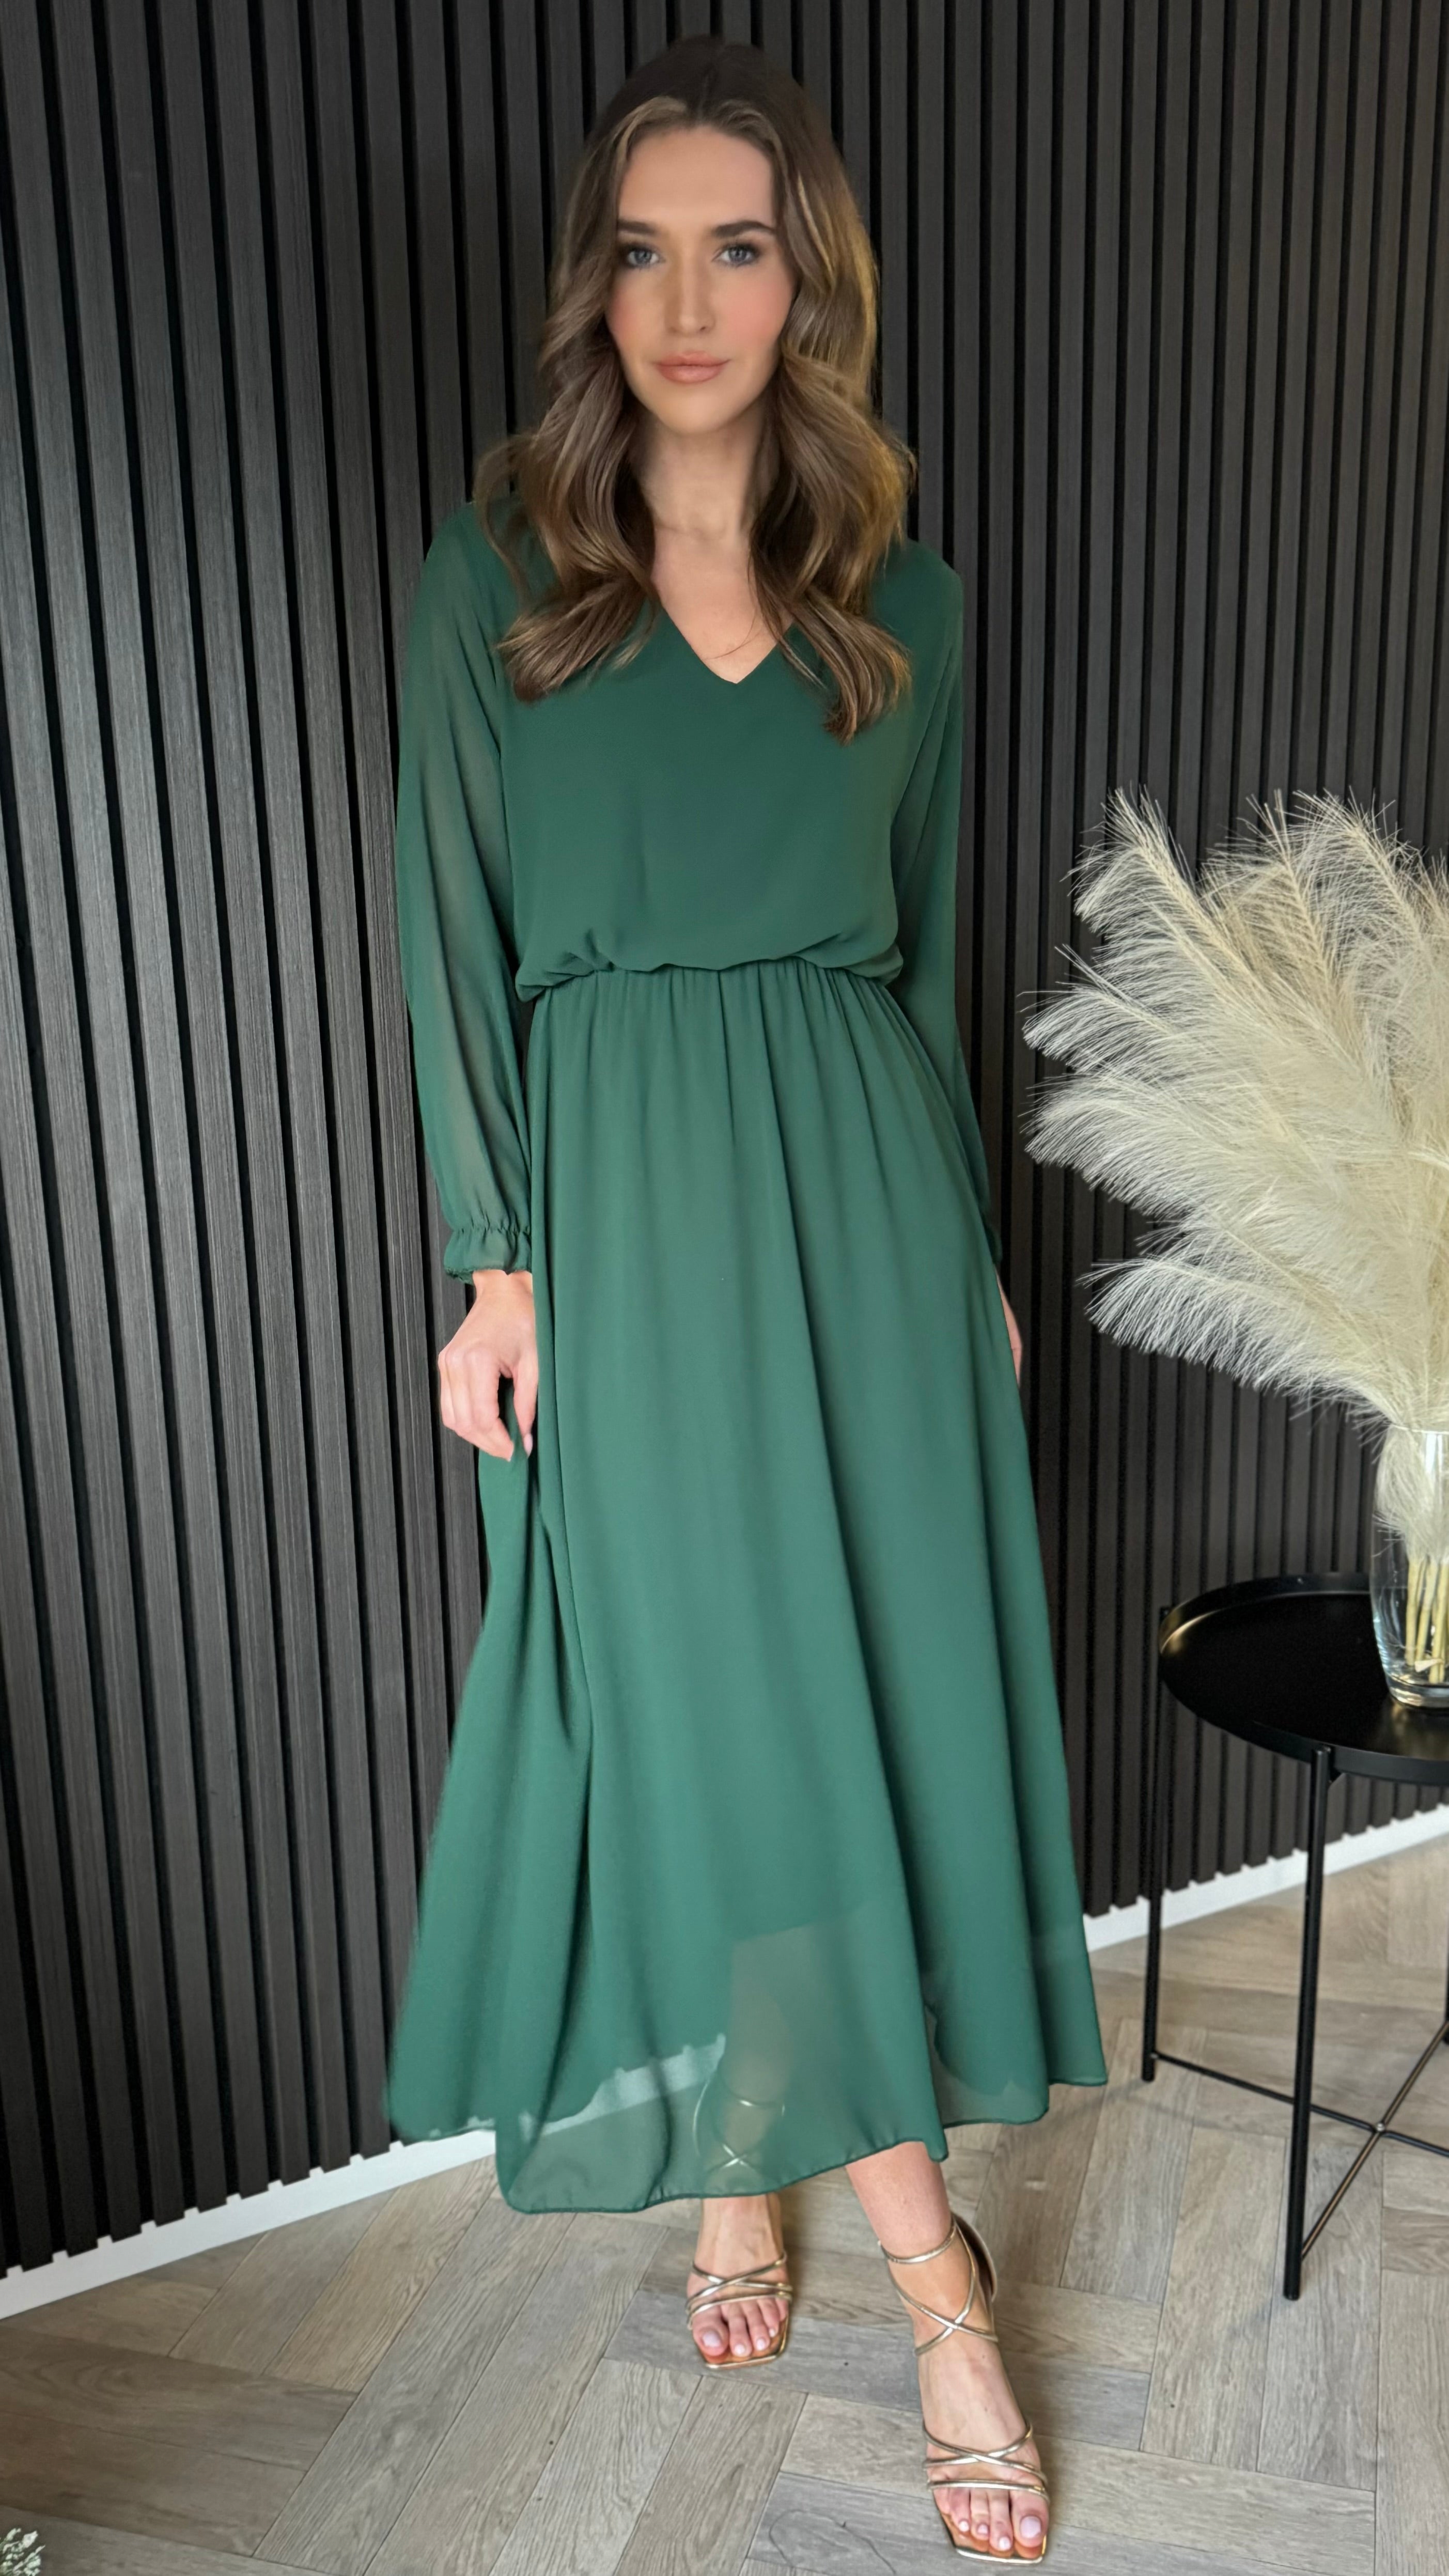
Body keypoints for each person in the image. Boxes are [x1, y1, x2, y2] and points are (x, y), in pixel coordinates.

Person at [384, 35, 1105, 2564]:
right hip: (621, 1211)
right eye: (642, 248)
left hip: (865, 1207)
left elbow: (925, 963)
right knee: (700, 1703)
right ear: (593, 288)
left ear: (811, 285)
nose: (688, 299)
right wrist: (493, 1259)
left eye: (740, 246)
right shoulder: (497, 569)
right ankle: (905, 2250)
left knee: (853, 1704)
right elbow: (445, 930)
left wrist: (972, 1261)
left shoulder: (910, 602)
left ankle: (782, 2177)